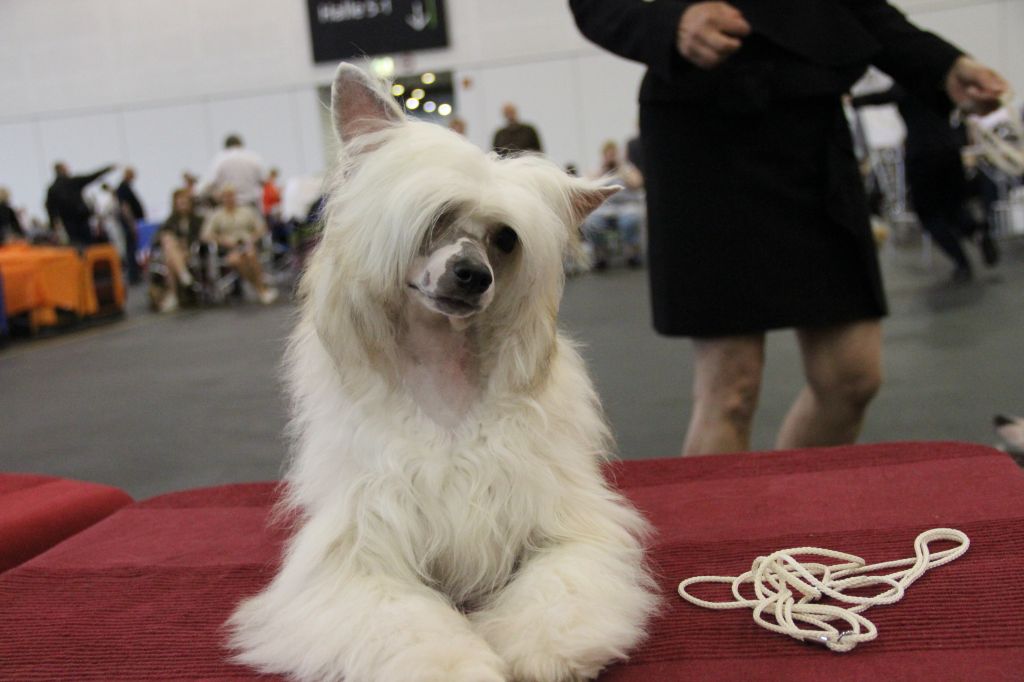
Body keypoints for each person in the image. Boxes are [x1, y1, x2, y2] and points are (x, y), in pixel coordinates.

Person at [570, 0, 1008, 455]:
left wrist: (944, 63)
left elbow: (859, 9)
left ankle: (792, 515)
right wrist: (669, 23)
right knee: (731, 389)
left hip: (814, 130)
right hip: (706, 136)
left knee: (852, 378)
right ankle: (731, 527)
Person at [200, 186, 278, 304]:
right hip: (229, 248)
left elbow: (262, 228)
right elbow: (205, 235)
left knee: (250, 255)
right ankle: (261, 288)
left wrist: (253, 238)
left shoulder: (247, 211)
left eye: (231, 196)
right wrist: (222, 240)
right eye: (226, 196)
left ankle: (260, 289)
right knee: (236, 260)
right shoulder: (216, 215)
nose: (229, 199)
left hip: (248, 243)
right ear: (222, 199)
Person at [582, 140, 645, 270]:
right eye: (608, 155)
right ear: (603, 156)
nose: (610, 158)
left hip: (626, 208)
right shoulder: (597, 170)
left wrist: (621, 170)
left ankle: (633, 253)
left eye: (613, 155)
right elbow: (586, 186)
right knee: (592, 223)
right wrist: (603, 171)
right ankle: (600, 255)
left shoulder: (627, 168)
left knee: (631, 220)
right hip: (603, 210)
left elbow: (637, 183)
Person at [152, 189, 203, 313]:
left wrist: (185, 246)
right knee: (168, 242)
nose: (182, 205)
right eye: (180, 203)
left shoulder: (197, 220)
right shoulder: (170, 221)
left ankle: (173, 295)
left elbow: (201, 238)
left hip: (190, 253)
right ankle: (184, 276)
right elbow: (157, 239)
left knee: (170, 257)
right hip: (175, 254)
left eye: (184, 202)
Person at [45, 162, 115, 247]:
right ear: (62, 170)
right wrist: (107, 169)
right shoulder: (73, 182)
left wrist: (53, 225)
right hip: (81, 217)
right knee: (89, 244)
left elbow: (50, 208)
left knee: (76, 245)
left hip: (68, 221)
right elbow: (91, 177)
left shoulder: (53, 189)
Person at [197, 134, 267, 208]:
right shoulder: (254, 158)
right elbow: (264, 181)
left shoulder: (219, 159)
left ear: (226, 146)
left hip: (227, 206)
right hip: (250, 205)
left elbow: (209, 183)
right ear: (241, 145)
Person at [115, 167, 145, 284]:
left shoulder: (125, 187)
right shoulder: (123, 188)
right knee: (131, 248)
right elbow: (125, 207)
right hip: (129, 223)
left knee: (132, 248)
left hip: (131, 222)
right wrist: (131, 224)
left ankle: (135, 273)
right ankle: (133, 276)